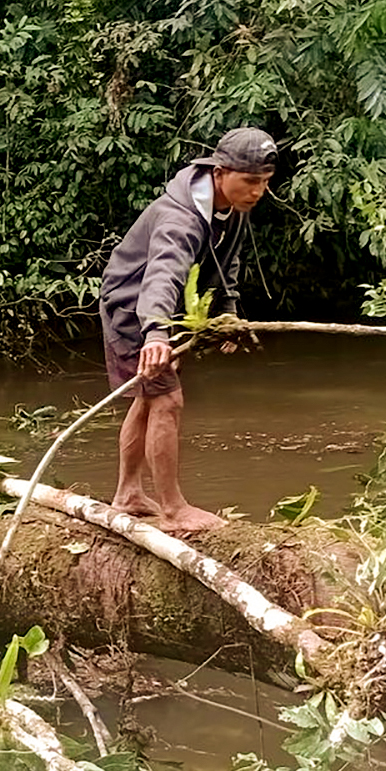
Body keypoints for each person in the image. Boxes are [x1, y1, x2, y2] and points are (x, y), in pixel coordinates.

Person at [100, 126, 277, 534]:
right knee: (168, 400)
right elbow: (160, 277)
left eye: (264, 183)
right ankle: (173, 509)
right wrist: (156, 334)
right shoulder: (180, 219)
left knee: (148, 398)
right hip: (134, 307)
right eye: (250, 181)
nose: (257, 192)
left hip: (165, 309)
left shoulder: (232, 209)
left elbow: (227, 262)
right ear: (219, 172)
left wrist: (227, 315)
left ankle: (128, 494)